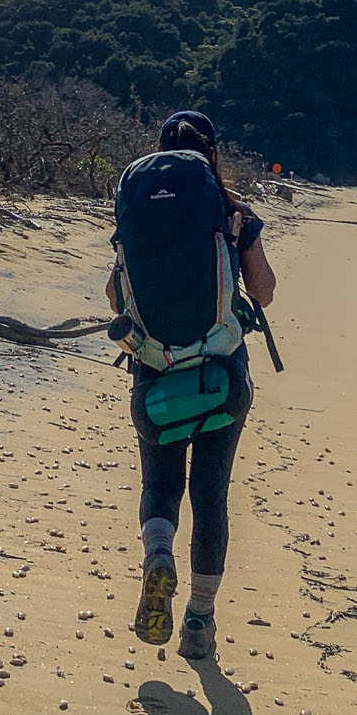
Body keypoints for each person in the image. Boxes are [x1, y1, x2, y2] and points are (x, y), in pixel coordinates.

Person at [111, 110, 276, 660]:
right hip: (220, 377)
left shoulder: (138, 214)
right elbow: (265, 291)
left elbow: (116, 297)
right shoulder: (233, 213)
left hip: (155, 378)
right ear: (211, 156)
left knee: (160, 485)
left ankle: (159, 554)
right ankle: (200, 622)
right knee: (211, 496)